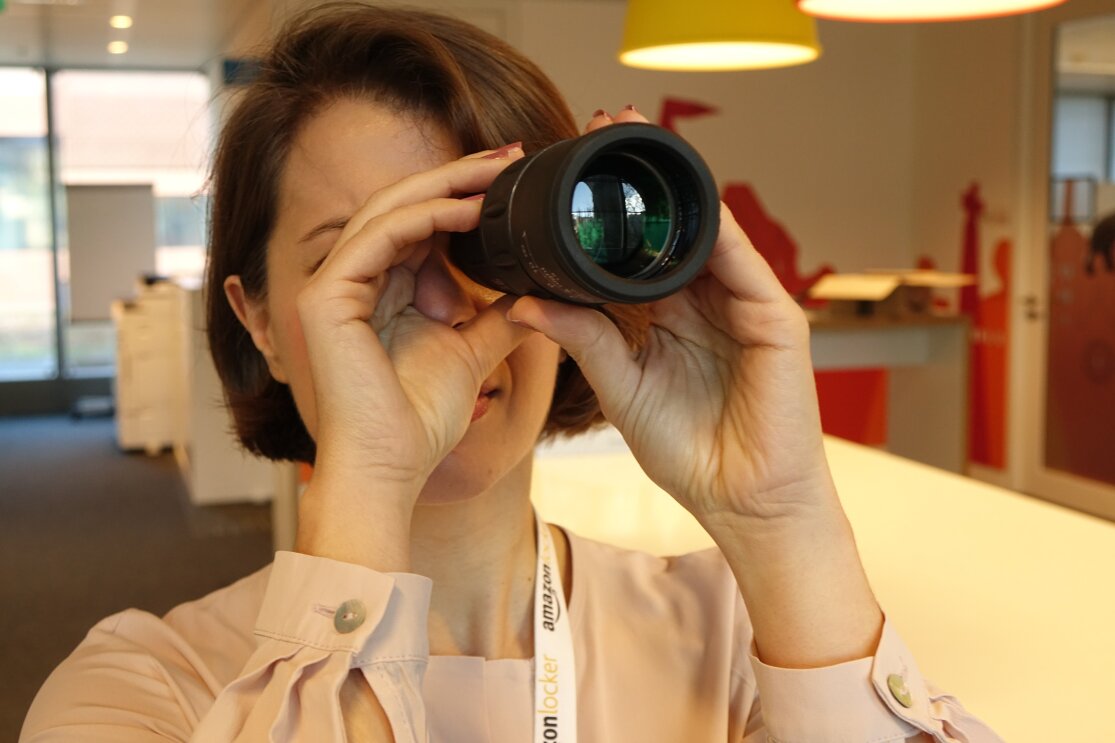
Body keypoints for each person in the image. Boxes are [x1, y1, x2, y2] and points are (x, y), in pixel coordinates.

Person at [22, 4, 1003, 742]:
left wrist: (780, 518)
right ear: (263, 324)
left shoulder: (734, 634)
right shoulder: (142, 684)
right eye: (363, 258)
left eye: (483, 247)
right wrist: (369, 479)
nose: (447, 305)